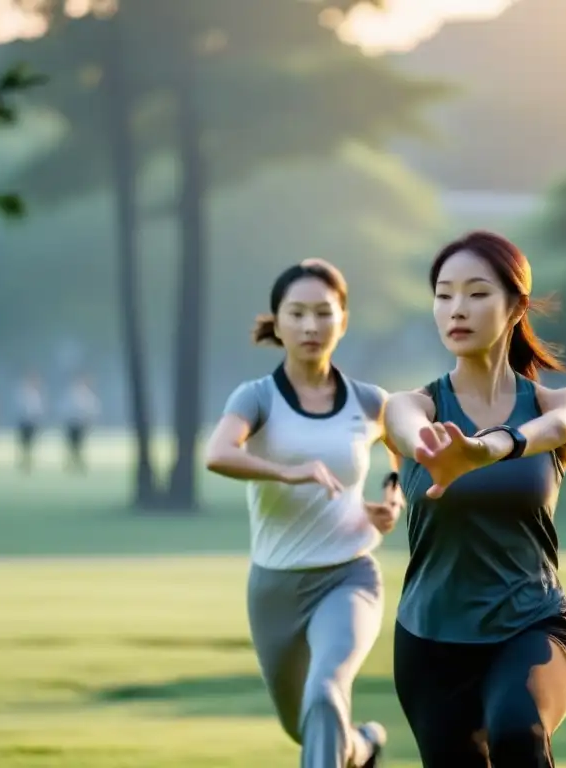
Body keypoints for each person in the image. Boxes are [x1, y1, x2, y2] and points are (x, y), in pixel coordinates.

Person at [383, 230, 566, 768]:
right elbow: (407, 429)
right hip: (431, 640)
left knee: (517, 735)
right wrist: (431, 445)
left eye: (477, 293)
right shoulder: (415, 406)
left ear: (516, 306)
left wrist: (489, 447)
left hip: (533, 624)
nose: (457, 308)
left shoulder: (556, 402)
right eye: (444, 294)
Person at [203, 259, 401, 768]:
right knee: (306, 725)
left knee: (324, 692)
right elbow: (218, 453)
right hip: (274, 588)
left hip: (349, 577)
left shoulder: (369, 401)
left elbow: (404, 452)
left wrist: (392, 495)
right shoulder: (258, 398)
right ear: (277, 320)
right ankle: (363, 748)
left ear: (343, 319)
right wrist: (290, 472)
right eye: (297, 314)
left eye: (323, 313)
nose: (311, 326)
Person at [62, 373, 100, 473]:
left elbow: (92, 410)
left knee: (78, 446)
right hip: (72, 424)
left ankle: (76, 464)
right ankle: (74, 464)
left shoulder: (87, 395)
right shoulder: (72, 394)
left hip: (80, 425)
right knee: (73, 446)